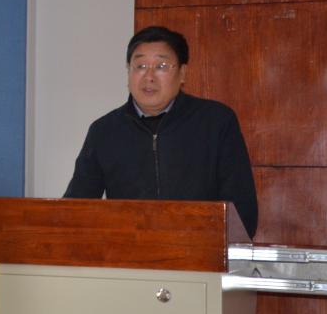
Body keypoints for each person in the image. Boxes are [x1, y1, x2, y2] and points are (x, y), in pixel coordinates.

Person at [63, 25, 258, 238]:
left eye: (161, 66)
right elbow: (75, 209)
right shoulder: (104, 131)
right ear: (128, 71)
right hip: (128, 253)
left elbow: (241, 211)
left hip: (199, 253)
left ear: (182, 73)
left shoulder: (216, 122)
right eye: (140, 66)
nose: (149, 76)